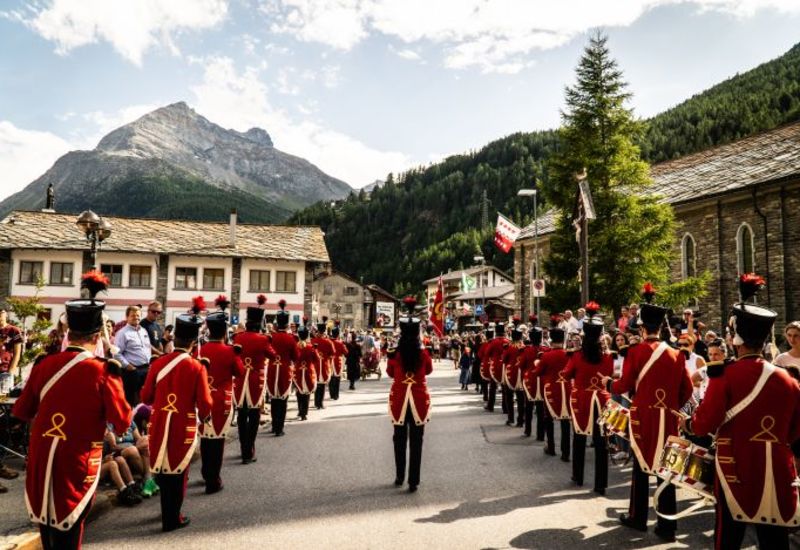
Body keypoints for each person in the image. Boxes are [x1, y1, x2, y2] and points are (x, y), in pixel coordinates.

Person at [12, 270, 131, 549]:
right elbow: (123, 421)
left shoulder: (43, 365)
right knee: (70, 533)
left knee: (48, 531)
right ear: (97, 335)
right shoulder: (104, 371)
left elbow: (22, 410)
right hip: (77, 461)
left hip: (42, 457)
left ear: (70, 331)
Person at [682, 273, 800, 549]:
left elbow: (704, 423)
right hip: (776, 467)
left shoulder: (724, 376)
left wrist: (688, 424)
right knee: (774, 536)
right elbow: (795, 430)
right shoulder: (787, 378)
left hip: (735, 466)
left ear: (736, 339)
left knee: (729, 534)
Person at [603, 283, 693, 542]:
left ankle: (638, 517)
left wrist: (610, 384)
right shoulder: (677, 354)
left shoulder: (636, 351)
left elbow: (625, 384)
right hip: (670, 418)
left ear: (642, 329)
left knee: (642, 468)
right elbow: (686, 390)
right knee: (667, 470)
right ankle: (667, 526)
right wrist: (671, 405)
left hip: (643, 416)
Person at [141, 300, 213, 532]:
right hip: (183, 424)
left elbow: (145, 397)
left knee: (162, 467)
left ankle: (167, 514)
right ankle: (173, 517)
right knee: (179, 471)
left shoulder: (158, 363)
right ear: (193, 343)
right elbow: (205, 402)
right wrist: (207, 416)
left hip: (160, 421)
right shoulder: (196, 366)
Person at [561, 303, 611, 493]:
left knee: (579, 438)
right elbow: (607, 375)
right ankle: (601, 484)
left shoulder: (577, 356)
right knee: (601, 443)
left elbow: (566, 375)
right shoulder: (607, 356)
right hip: (602, 399)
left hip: (582, 399)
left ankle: (578, 475)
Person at [197, 295, 244, 494]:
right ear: (224, 331)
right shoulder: (229, 351)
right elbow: (240, 372)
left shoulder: (200, 349)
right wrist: (237, 354)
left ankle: (205, 473)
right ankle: (213, 480)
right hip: (222, 400)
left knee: (206, 439)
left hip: (203, 398)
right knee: (217, 441)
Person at [387, 297, 432, 493]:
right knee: (417, 440)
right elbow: (429, 370)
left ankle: (399, 476)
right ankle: (414, 480)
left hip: (399, 400)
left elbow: (389, 372)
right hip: (419, 400)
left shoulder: (395, 353)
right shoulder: (423, 354)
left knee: (399, 439)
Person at [232, 294, 275, 464]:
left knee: (241, 415)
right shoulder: (263, 339)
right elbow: (273, 356)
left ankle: (243, 447)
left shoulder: (237, 338)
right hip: (256, 381)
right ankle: (249, 450)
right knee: (254, 415)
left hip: (240, 380)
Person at [534, 318, 571, 461]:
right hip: (566, 388)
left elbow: (537, 373)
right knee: (565, 420)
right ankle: (566, 452)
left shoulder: (547, 355)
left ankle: (551, 447)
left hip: (550, 389)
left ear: (551, 338)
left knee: (548, 418)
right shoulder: (569, 354)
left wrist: (537, 362)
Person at [267, 299, 298, 436]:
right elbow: (296, 357)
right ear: (286, 324)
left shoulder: (271, 337)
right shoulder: (291, 339)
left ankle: (274, 426)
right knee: (283, 400)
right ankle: (279, 428)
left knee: (274, 399)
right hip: (285, 369)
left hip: (273, 369)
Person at [105, 418, 157, 497]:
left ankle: (147, 477)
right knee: (132, 450)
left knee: (146, 440)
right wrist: (136, 447)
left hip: (134, 447)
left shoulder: (130, 421)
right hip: (119, 452)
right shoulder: (109, 424)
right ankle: (148, 477)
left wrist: (141, 443)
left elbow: (139, 438)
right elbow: (113, 447)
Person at [0, 306, 22, 489]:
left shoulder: (13, 331)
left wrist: (11, 372)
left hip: (4, 374)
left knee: (2, 414)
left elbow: (17, 352)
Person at [114, 305, 152, 406]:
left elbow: (147, 348)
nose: (136, 317)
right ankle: (130, 420)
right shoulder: (122, 333)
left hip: (146, 369)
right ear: (127, 317)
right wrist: (128, 366)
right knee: (130, 400)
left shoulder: (143, 331)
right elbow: (116, 353)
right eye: (133, 315)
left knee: (144, 399)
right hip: (132, 371)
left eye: (138, 315)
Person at [521, 318, 547, 439]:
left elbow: (521, 365)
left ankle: (528, 430)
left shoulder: (526, 350)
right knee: (541, 408)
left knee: (529, 406)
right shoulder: (546, 349)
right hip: (542, 381)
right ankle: (540, 434)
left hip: (530, 380)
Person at [501, 318, 526, 427]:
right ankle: (521, 419)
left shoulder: (509, 347)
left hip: (510, 374)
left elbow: (504, 360)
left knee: (509, 398)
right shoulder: (524, 347)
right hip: (522, 375)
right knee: (521, 399)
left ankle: (511, 418)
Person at [294, 321, 319, 420]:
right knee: (307, 393)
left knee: (299, 392)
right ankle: (304, 413)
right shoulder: (310, 347)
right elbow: (316, 360)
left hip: (297, 372)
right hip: (308, 371)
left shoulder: (296, 346)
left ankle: (300, 411)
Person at [312, 318, 335, 409]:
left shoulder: (312, 341)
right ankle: (320, 403)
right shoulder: (328, 342)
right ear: (324, 331)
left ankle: (316, 402)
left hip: (315, 366)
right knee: (322, 386)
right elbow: (332, 354)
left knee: (316, 385)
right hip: (325, 365)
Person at [329, 320, 348, 400]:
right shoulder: (340, 343)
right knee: (337, 379)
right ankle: (336, 395)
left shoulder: (329, 341)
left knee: (331, 378)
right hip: (337, 362)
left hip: (330, 362)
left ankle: (331, 394)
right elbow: (346, 352)